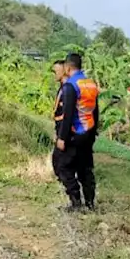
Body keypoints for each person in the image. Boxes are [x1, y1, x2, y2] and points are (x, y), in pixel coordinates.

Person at [54, 52, 99, 212]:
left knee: (63, 166)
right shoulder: (91, 84)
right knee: (85, 169)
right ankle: (90, 203)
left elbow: (68, 114)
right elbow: (95, 111)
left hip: (74, 133)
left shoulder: (70, 85)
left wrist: (62, 138)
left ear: (67, 67)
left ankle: (75, 202)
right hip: (88, 133)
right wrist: (93, 133)